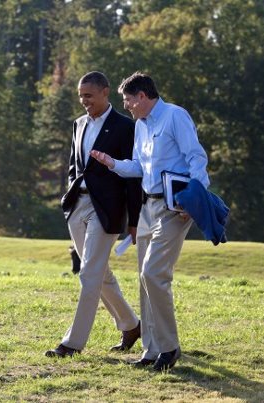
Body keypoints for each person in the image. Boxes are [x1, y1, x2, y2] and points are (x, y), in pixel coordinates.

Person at [90, 72, 210, 371]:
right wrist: (112, 164)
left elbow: (196, 158)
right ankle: (151, 350)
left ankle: (169, 349)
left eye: (128, 100)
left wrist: (194, 199)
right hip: (147, 208)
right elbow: (138, 168)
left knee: (153, 273)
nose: (127, 106)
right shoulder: (140, 126)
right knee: (144, 280)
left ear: (142, 96)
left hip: (175, 208)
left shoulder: (175, 116)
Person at [45, 71, 142, 358]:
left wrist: (134, 220)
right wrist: (69, 198)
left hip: (107, 210)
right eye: (80, 96)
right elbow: (75, 166)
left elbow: (133, 177)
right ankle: (131, 325)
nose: (84, 101)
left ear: (105, 92)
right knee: (101, 273)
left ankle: (72, 343)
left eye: (88, 95)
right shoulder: (78, 124)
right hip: (78, 206)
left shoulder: (126, 127)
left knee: (89, 273)